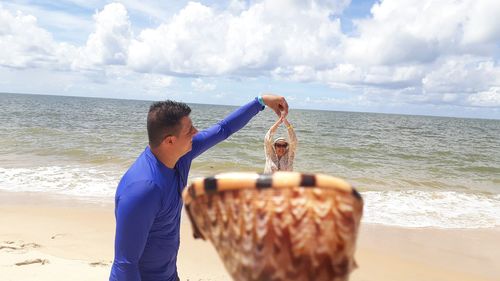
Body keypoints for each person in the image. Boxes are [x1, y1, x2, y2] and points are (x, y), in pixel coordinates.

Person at [109, 94, 288, 281]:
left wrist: (260, 102)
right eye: (189, 130)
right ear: (170, 141)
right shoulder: (143, 190)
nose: (196, 132)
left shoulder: (179, 156)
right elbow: (125, 264)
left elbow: (223, 129)